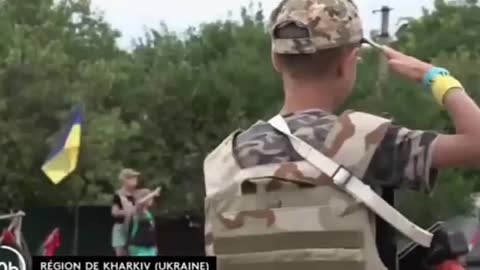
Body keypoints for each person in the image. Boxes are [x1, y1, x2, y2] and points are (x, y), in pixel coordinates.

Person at [203, 0, 480, 269]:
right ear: (348, 63)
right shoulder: (363, 140)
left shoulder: (222, 161)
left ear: (276, 59)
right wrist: (434, 76)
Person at [111, 168, 139, 256]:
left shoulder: (137, 194)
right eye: (132, 178)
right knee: (120, 252)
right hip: (121, 227)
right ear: (124, 180)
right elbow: (114, 212)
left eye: (135, 177)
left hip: (134, 226)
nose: (135, 180)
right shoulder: (119, 194)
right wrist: (127, 211)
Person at [126, 188, 160, 257]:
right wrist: (152, 194)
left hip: (149, 247)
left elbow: (151, 231)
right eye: (150, 198)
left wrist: (155, 246)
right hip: (138, 246)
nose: (152, 199)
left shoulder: (149, 213)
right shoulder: (138, 212)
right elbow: (139, 203)